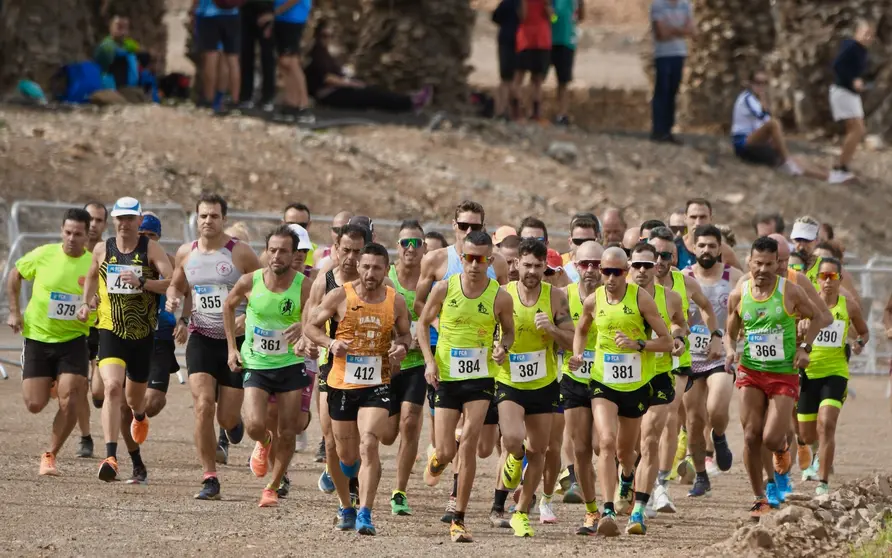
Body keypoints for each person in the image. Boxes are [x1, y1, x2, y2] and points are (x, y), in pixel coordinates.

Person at [306, 243, 412, 535]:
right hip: (341, 383)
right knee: (346, 456)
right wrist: (330, 344)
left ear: (386, 269)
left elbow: (406, 334)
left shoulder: (395, 301)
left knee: (369, 443)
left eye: (377, 267)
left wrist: (401, 346)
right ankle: (346, 506)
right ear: (358, 266)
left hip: (377, 383)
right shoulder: (340, 295)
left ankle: (365, 512)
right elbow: (310, 327)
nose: (370, 273)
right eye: (366, 266)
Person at [418, 230, 515, 543]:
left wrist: (503, 347)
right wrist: (429, 362)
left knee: (471, 443)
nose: (474, 264)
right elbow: (422, 324)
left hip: (481, 377)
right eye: (469, 258)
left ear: (490, 260)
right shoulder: (445, 288)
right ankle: (437, 459)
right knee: (447, 451)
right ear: (461, 259)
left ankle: (459, 518)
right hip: (446, 376)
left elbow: (509, 332)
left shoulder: (500, 295)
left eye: (481, 259)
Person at [567, 246, 671, 536]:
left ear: (627, 273)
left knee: (627, 452)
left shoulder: (641, 299)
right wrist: (578, 355)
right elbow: (582, 330)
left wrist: (638, 345)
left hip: (636, 384)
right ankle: (609, 509)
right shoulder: (593, 300)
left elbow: (665, 341)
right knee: (606, 442)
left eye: (618, 272)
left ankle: (627, 478)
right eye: (606, 271)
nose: (611, 278)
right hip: (603, 381)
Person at [724, 236, 830, 518]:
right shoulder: (739, 294)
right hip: (751, 371)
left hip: (783, 374)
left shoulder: (790, 292)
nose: (762, 269)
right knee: (750, 436)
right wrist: (729, 351)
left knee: (771, 438)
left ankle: (782, 448)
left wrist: (805, 347)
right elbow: (729, 333)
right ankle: (761, 495)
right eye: (758, 263)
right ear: (749, 262)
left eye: (769, 264)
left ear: (777, 265)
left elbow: (819, 316)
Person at [166, 194, 261, 500]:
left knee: (226, 418)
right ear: (197, 219)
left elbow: (263, 289)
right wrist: (176, 308)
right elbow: (176, 285)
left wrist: (247, 315)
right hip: (202, 339)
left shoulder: (241, 253)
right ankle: (210, 477)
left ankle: (233, 426)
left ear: (223, 219)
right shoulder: (186, 253)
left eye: (214, 216)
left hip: (235, 343)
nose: (208, 221)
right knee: (203, 406)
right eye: (203, 216)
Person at [78, 197, 173, 482]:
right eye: (119, 218)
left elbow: (172, 281)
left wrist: (143, 282)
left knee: (133, 400)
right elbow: (93, 276)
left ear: (138, 220)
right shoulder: (102, 248)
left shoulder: (150, 248)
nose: (124, 223)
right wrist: (86, 304)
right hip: (110, 328)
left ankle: (140, 416)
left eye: (130, 218)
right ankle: (110, 456)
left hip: (142, 333)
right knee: (111, 388)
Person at [223, 225, 312, 507]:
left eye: (283, 251)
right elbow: (228, 305)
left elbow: (317, 316)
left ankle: (272, 486)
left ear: (294, 254)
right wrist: (231, 348)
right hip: (257, 364)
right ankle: (264, 441)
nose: (276, 256)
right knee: (253, 425)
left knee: (289, 431)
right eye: (272, 250)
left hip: (290, 364)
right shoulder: (251, 281)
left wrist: (305, 328)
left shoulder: (304, 286)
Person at [495, 239, 574, 537]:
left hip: (544, 383)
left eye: (538, 266)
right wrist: (497, 350)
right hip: (509, 379)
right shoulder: (503, 295)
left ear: (545, 268)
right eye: (526, 265)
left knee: (539, 449)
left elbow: (570, 340)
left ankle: (521, 512)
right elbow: (490, 333)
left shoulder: (555, 298)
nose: (531, 271)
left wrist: (552, 329)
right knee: (514, 440)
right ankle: (514, 460)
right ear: (516, 264)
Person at [6, 208, 93, 476]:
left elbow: (100, 298)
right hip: (38, 337)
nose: (71, 239)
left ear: (87, 236)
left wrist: (92, 306)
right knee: (34, 404)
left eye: (78, 234)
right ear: (61, 232)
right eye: (67, 233)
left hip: (73, 339)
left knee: (71, 400)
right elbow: (15, 275)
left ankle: (50, 455)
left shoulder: (93, 264)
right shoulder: (44, 254)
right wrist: (14, 311)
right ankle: (54, 382)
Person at [305, 224, 369, 526]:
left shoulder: (375, 282)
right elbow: (311, 314)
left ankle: (354, 484)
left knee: (359, 438)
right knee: (331, 438)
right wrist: (312, 341)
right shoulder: (326, 280)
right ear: (337, 248)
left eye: (358, 251)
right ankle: (345, 499)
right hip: (331, 367)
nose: (352, 257)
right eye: (347, 250)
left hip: (367, 371)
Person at [624, 242, 687, 535]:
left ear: (657, 266)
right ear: (629, 265)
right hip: (624, 379)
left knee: (649, 439)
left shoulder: (670, 297)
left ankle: (638, 509)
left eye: (647, 265)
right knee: (622, 446)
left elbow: (680, 323)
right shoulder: (613, 294)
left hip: (659, 375)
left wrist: (678, 339)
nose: (641, 271)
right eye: (636, 265)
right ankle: (626, 481)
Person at [797, 257, 868, 495]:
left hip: (836, 372)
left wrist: (859, 342)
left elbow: (864, 332)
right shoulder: (807, 305)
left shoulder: (848, 306)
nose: (828, 281)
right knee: (806, 434)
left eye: (833, 277)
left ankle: (823, 482)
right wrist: (800, 332)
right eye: (823, 276)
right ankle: (814, 452)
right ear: (817, 279)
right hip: (808, 372)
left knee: (827, 424)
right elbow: (793, 333)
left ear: (840, 279)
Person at [680, 225, 742, 496]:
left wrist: (735, 343)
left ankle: (718, 436)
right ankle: (701, 476)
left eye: (711, 246)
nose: (706, 250)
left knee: (717, 407)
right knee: (693, 422)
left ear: (720, 249)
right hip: (690, 357)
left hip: (721, 353)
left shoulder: (734, 277)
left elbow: (745, 313)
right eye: (701, 245)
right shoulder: (682, 277)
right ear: (693, 248)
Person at [559, 241, 604, 534]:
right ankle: (592, 512)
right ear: (575, 266)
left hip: (609, 380)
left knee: (607, 445)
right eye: (584, 264)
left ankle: (624, 484)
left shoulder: (615, 296)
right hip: (574, 380)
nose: (590, 270)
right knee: (582, 449)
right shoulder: (562, 297)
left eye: (596, 264)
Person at [387, 221, 429, 516]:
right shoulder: (385, 277)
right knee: (387, 433)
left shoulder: (431, 280)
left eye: (416, 243)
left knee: (410, 422)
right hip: (386, 364)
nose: (410, 249)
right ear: (397, 246)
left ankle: (399, 490)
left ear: (425, 247)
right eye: (405, 243)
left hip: (416, 364)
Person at [304, 19, 433, 113]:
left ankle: (408, 101)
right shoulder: (317, 53)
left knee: (372, 91)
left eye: (330, 36)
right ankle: (410, 102)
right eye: (325, 36)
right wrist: (350, 84)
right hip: (329, 94)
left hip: (336, 89)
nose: (327, 39)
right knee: (371, 94)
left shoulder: (324, 53)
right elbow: (327, 78)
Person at [730, 69, 829, 180]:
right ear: (751, 83)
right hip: (744, 143)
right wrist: (764, 99)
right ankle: (787, 162)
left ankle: (829, 177)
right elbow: (765, 119)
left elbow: (764, 123)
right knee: (774, 124)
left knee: (800, 160)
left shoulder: (757, 102)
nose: (761, 87)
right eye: (757, 82)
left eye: (764, 83)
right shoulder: (747, 98)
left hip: (757, 144)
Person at [78, 201, 109, 458]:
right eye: (90, 219)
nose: (94, 225)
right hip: (73, 328)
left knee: (97, 392)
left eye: (99, 220)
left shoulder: (107, 253)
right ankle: (85, 437)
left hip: (101, 326)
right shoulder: (71, 252)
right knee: (77, 385)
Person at [829, 19, 874, 184]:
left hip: (851, 94)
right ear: (857, 32)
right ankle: (839, 168)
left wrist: (859, 82)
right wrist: (852, 80)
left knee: (855, 130)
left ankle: (843, 165)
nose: (868, 37)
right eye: (866, 33)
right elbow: (837, 65)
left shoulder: (862, 51)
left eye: (870, 34)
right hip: (842, 92)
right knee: (858, 130)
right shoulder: (851, 46)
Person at [649, 0, 694, 144]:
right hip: (663, 54)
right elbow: (661, 33)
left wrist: (672, 29)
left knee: (673, 92)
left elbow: (692, 30)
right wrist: (680, 30)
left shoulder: (685, 5)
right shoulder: (658, 5)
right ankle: (658, 130)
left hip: (679, 53)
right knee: (662, 91)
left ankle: (667, 130)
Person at [260, 0, 312, 119]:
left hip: (294, 18)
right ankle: (291, 103)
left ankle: (303, 105)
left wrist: (275, 13)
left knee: (291, 62)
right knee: (283, 62)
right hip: (282, 19)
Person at [192, 0, 242, 109]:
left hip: (208, 15)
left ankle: (209, 99)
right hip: (232, 14)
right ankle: (234, 100)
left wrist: (193, 11)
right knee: (232, 59)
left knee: (211, 57)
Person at [514, 0, 553, 121]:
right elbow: (553, 19)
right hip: (540, 40)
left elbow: (523, 16)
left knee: (519, 78)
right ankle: (535, 113)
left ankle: (518, 112)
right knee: (536, 81)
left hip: (528, 39)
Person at [676, 198, 741, 270]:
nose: (698, 223)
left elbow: (741, 279)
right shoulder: (675, 248)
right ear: (685, 218)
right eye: (693, 217)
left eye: (703, 217)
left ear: (711, 218)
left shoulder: (723, 250)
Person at [238, 0, 276, 111]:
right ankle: (245, 96)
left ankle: (268, 97)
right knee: (246, 53)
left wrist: (273, 12)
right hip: (246, 7)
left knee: (267, 55)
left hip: (266, 7)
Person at [550, 0, 583, 125]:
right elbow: (552, 17)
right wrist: (553, 19)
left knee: (563, 81)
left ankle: (562, 113)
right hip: (550, 40)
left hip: (567, 41)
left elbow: (579, 17)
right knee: (538, 77)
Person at [492, 0, 521, 120]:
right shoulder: (523, 4)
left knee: (505, 80)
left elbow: (495, 18)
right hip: (520, 42)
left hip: (506, 40)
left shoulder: (507, 3)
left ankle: (502, 110)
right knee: (513, 79)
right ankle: (513, 110)